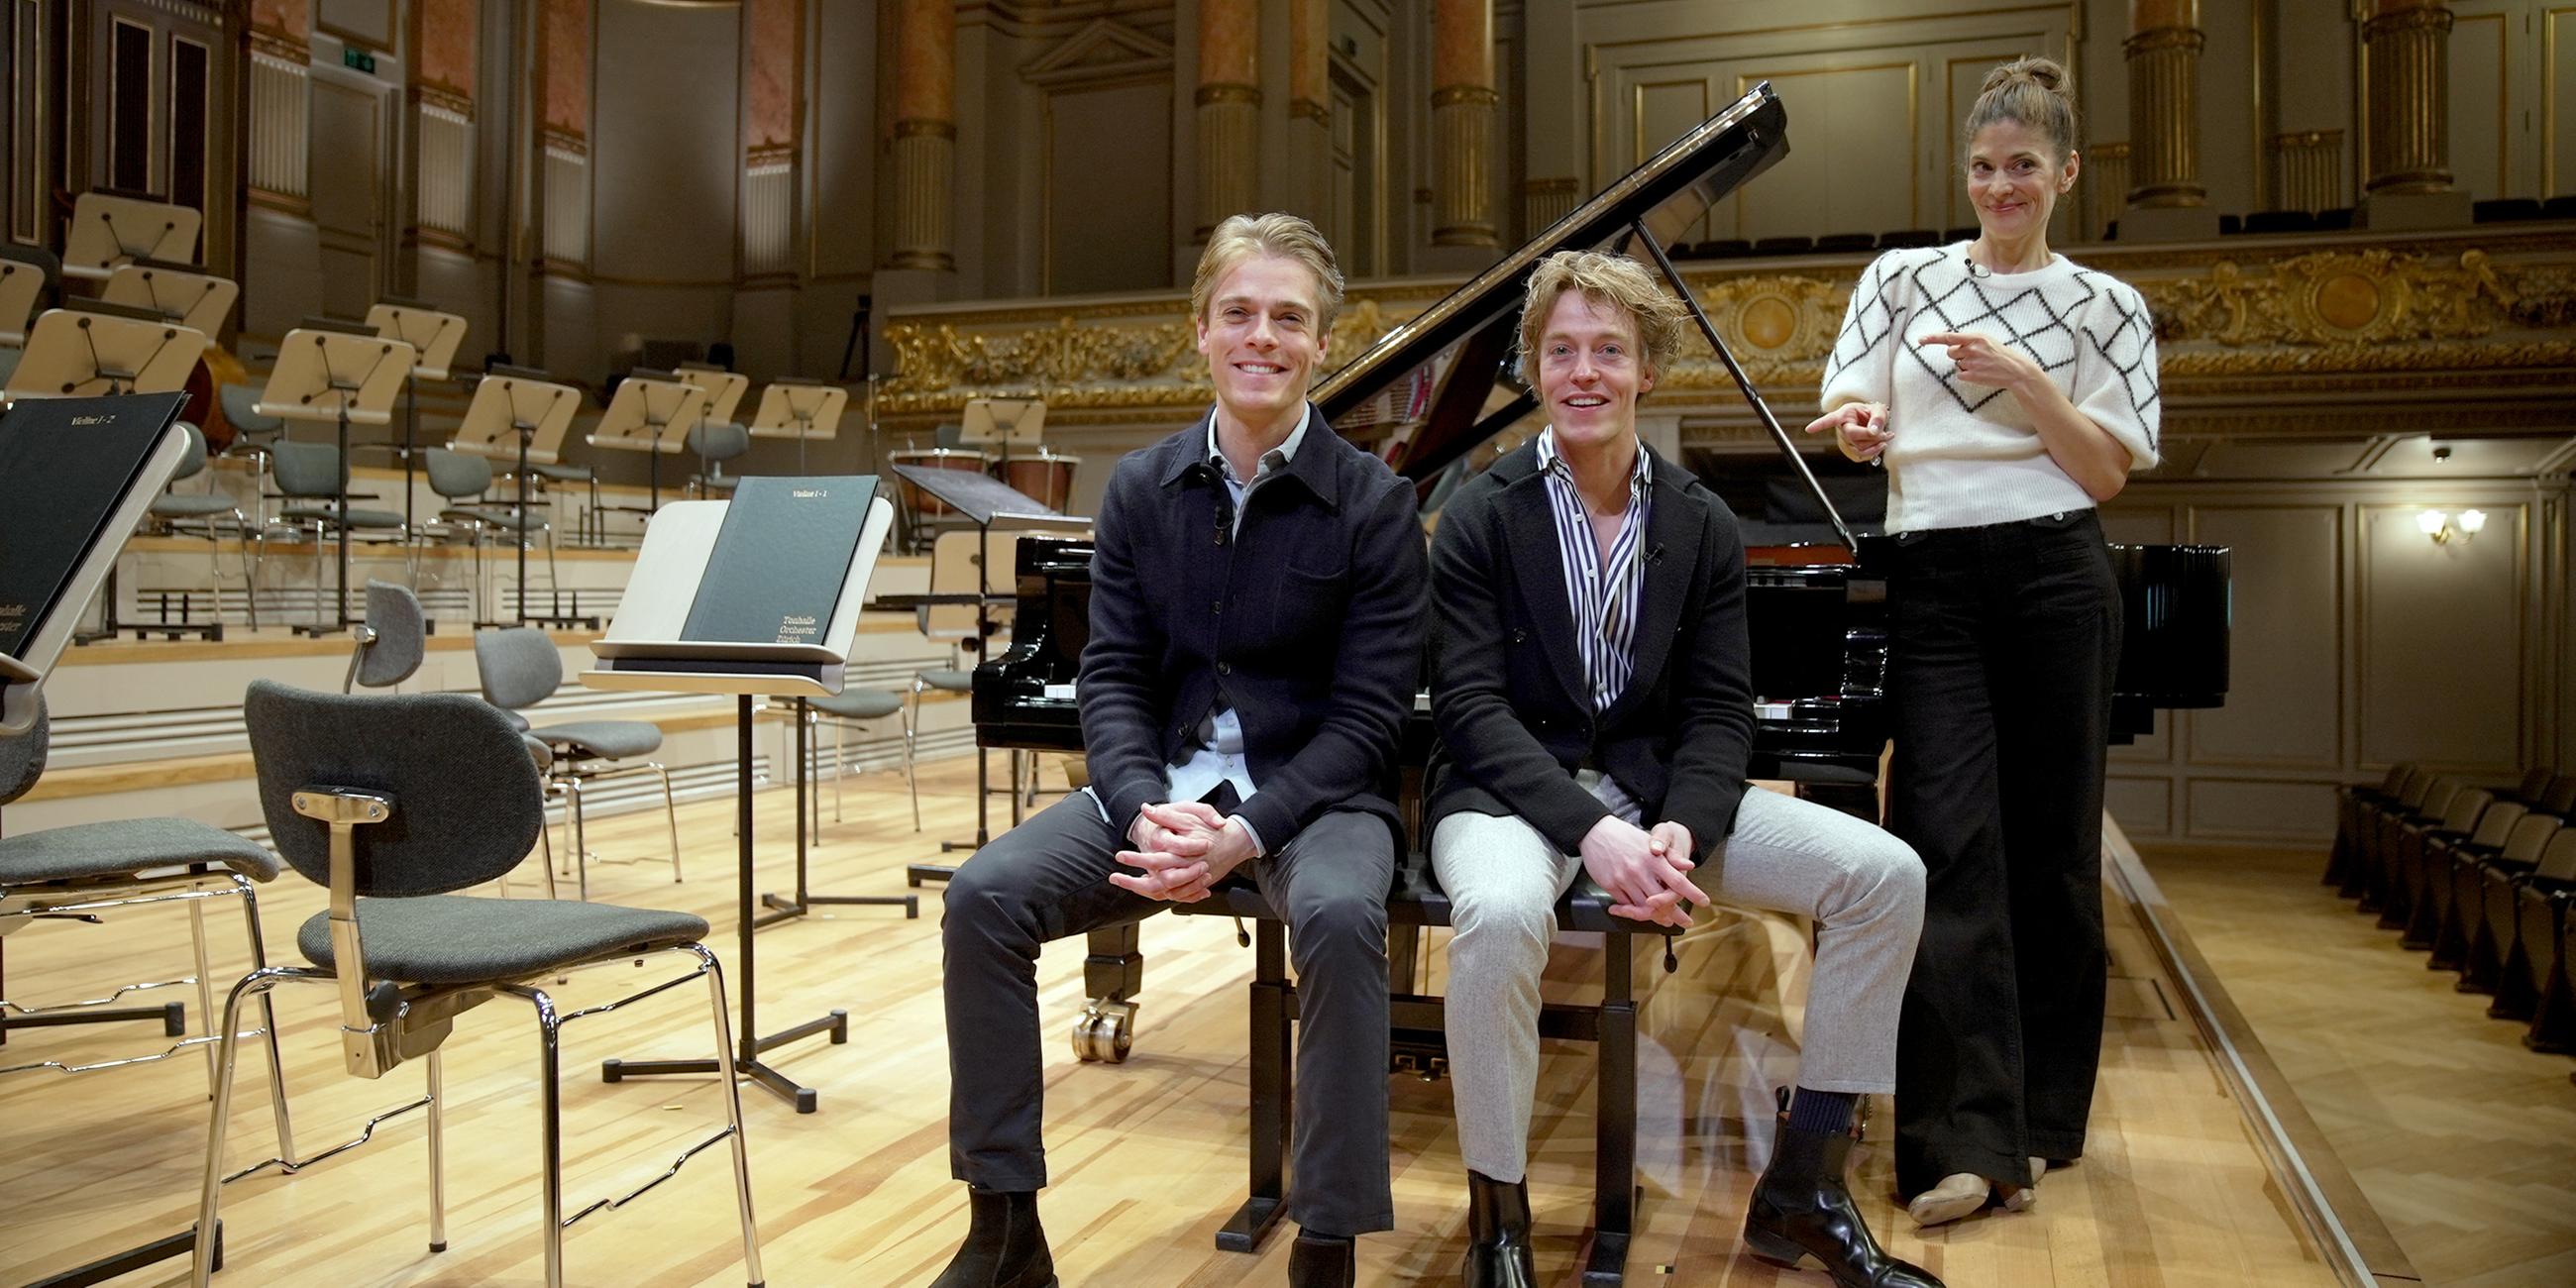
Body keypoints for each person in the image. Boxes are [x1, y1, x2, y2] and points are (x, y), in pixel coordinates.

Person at [1427, 248, 1939, 1288]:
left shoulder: (1700, 519)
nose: (1583, 372)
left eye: (1607, 350)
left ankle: (1801, 1187)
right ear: (1534, 368)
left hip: (1659, 795)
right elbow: (1471, 712)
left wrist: (1683, 829)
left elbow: (1717, 710)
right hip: (1509, 794)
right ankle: (1498, 1226)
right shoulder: (1482, 513)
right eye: (1560, 350)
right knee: (1500, 912)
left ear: (1646, 368)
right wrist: (1592, 832)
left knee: (1886, 876)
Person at [933, 212, 1427, 1288]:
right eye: (1238, 312)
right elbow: (1112, 675)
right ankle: (1004, 1232)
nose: (1262, 337)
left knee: (1340, 916)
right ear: (1200, 329)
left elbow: (1367, 721)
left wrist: (1247, 832)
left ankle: (1327, 1246)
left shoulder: (1375, 505)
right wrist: (1141, 805)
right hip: (1159, 789)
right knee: (983, 897)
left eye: (1288, 318)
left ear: (1322, 342)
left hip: (1311, 800)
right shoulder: (1140, 488)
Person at [1806, 55, 2162, 1227]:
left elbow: (2103, 471)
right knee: (1942, 844)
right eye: (1981, 167)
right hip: (1933, 575)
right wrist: (1858, 427)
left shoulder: (2105, 305)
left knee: (2052, 853)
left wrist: (2024, 382)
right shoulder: (1899, 280)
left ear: (2064, 173)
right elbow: (1849, 413)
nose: (1998, 186)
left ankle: (2041, 1120)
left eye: (2021, 166)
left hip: (2058, 567)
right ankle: (1959, 1145)